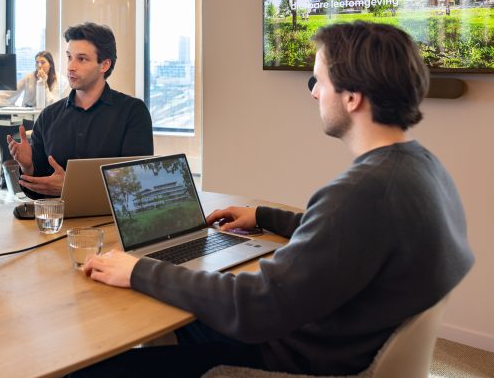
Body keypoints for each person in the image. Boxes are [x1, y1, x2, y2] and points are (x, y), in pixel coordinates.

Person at [77, 21, 474, 377]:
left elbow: (254, 308)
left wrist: (138, 270)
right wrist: (263, 215)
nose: (315, 94)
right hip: (336, 339)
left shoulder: (361, 193)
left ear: (352, 96)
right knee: (180, 317)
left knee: (95, 370)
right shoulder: (420, 168)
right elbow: (346, 236)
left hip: (296, 357)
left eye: (318, 81)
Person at [7, 22, 154, 198]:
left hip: (109, 222)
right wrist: (27, 166)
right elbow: (36, 191)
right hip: (56, 222)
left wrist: (70, 187)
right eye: (69, 57)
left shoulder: (133, 112)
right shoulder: (49, 116)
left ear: (104, 65)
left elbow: (138, 184)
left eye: (81, 59)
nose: (70, 67)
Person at [0, 50, 64, 108]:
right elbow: (10, 92)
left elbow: (52, 103)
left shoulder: (59, 80)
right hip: (28, 116)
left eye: (43, 62)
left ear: (51, 64)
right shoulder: (29, 77)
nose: (39, 65)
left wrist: (44, 83)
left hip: (47, 117)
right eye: (37, 62)